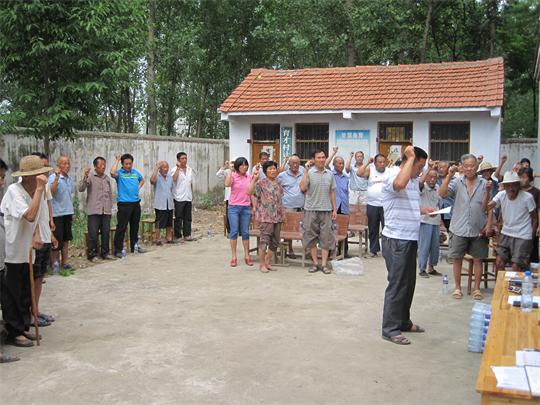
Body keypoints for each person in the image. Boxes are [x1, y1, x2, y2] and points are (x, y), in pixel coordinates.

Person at [381, 146, 430, 345]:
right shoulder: (393, 175)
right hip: (396, 239)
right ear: (409, 161)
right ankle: (390, 328)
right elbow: (399, 184)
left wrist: (423, 210)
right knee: (397, 284)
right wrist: (410, 158)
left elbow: (407, 203)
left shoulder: (413, 180)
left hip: (410, 237)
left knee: (409, 284)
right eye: (419, 165)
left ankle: (403, 321)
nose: (421, 171)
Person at [1, 155, 51, 347]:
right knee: (13, 293)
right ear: (31, 176)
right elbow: (30, 215)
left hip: (28, 249)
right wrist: (39, 189)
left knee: (25, 291)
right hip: (13, 251)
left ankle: (23, 327)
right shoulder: (15, 191)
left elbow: (36, 218)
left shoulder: (34, 192)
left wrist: (37, 234)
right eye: (40, 174)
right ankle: (14, 331)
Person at [439, 154, 493, 301]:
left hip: (478, 227)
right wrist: (449, 175)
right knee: (457, 259)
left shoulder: (484, 183)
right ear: (462, 167)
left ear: (477, 167)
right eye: (466, 165)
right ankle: (457, 287)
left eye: (472, 165)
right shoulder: (456, 182)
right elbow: (442, 193)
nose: (470, 168)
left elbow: (487, 207)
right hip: (459, 227)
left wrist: (488, 223)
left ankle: (476, 289)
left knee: (478, 259)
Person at [484, 171, 537, 272]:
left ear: (518, 185)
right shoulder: (501, 195)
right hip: (506, 233)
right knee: (499, 262)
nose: (511, 188)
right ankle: (501, 286)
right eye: (508, 186)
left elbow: (534, 218)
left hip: (523, 235)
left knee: (516, 266)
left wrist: (531, 238)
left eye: (514, 185)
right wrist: (487, 192)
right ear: (504, 186)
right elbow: (488, 206)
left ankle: (515, 287)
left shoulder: (527, 197)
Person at [300, 149, 337, 274]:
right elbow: (303, 188)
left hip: (326, 210)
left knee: (326, 238)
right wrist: (305, 171)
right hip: (311, 209)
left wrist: (334, 209)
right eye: (318, 157)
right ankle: (315, 263)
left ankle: (324, 264)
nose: (321, 159)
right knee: (311, 238)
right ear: (313, 159)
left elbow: (332, 192)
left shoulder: (330, 174)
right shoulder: (309, 173)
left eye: (323, 157)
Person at [31, 153, 57, 328]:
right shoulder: (22, 188)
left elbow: (48, 205)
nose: (46, 171)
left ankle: (36, 310)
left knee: (40, 276)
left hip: (46, 236)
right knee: (32, 277)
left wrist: (51, 227)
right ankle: (30, 312)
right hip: (34, 240)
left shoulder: (44, 185)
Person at [248, 161, 284, 273]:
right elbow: (249, 192)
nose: (273, 171)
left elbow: (280, 201)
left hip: (278, 217)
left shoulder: (279, 184)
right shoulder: (261, 183)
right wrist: (254, 179)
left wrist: (284, 214)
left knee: (275, 241)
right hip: (265, 217)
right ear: (265, 171)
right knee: (264, 241)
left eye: (274, 168)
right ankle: (262, 264)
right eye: (270, 169)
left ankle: (267, 262)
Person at [0, 158, 20, 362]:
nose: (2, 182)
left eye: (3, 177)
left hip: (3, 258)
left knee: (7, 299)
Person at [78, 156, 113, 261]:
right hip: (94, 210)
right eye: (101, 165)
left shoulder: (106, 178)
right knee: (93, 234)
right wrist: (84, 176)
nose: (103, 167)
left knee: (105, 233)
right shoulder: (90, 177)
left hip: (105, 210)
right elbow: (81, 188)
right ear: (95, 166)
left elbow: (110, 194)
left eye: (104, 165)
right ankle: (92, 254)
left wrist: (110, 207)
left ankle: (105, 253)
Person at [111, 153, 145, 257]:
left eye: (130, 163)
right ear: (122, 164)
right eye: (126, 164)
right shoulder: (120, 174)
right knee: (122, 227)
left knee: (135, 226)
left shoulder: (135, 173)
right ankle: (118, 249)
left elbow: (142, 180)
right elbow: (112, 173)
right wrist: (117, 160)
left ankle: (134, 246)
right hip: (124, 204)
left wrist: (137, 188)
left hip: (135, 203)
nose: (128, 166)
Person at [224, 157, 253, 267]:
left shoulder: (249, 177)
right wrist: (230, 171)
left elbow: (251, 193)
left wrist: (253, 206)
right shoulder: (233, 176)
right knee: (234, 231)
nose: (244, 167)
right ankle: (234, 256)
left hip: (246, 207)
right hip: (234, 207)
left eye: (246, 165)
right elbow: (227, 184)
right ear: (237, 166)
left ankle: (247, 255)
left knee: (245, 232)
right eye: (241, 165)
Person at [360, 154, 389, 258]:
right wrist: (368, 162)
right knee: (373, 228)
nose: (382, 164)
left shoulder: (389, 171)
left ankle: (387, 250)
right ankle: (374, 249)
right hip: (372, 204)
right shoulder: (370, 170)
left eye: (383, 162)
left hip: (386, 205)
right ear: (375, 163)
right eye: (380, 162)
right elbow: (359, 173)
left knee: (387, 228)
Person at [48, 156, 74, 270]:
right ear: (58, 165)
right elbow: (51, 194)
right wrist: (57, 178)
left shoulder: (69, 179)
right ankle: (54, 264)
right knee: (56, 241)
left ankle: (65, 262)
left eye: (68, 163)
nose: (66, 166)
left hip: (67, 212)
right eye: (63, 163)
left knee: (66, 239)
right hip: (57, 214)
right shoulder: (52, 178)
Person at [277, 154, 305, 258]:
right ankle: (289, 250)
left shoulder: (302, 174)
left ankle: (306, 251)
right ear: (288, 164)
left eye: (297, 163)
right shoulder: (282, 176)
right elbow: (278, 190)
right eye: (293, 163)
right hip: (288, 207)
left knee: (303, 229)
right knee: (288, 230)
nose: (295, 165)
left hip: (301, 206)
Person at [418, 165, 441, 278]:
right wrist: (428, 169)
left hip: (436, 220)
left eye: (434, 177)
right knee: (424, 246)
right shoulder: (423, 187)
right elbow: (420, 183)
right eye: (430, 177)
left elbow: (438, 203)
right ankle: (422, 268)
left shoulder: (437, 187)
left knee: (435, 246)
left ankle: (431, 267)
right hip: (425, 221)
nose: (432, 180)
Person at [171, 152, 194, 242]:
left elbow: (190, 183)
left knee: (188, 217)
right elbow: (174, 179)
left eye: (185, 158)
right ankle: (178, 236)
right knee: (179, 217)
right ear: (178, 160)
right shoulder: (174, 169)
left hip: (188, 196)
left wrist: (192, 194)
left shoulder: (189, 169)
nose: (184, 160)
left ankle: (187, 234)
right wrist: (178, 168)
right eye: (182, 158)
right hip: (179, 197)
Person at [330, 155, 350, 257]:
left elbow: (346, 193)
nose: (341, 165)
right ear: (334, 164)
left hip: (344, 206)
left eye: (342, 163)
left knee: (343, 229)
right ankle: (330, 251)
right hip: (333, 207)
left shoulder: (346, 178)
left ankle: (344, 251)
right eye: (339, 163)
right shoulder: (330, 175)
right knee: (331, 229)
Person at [150, 161, 174, 245]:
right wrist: (156, 167)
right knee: (159, 221)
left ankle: (168, 238)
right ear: (160, 169)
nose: (166, 169)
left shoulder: (170, 177)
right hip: (160, 204)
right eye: (164, 167)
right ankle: (158, 238)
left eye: (167, 167)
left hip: (169, 203)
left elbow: (172, 188)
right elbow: (152, 181)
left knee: (169, 222)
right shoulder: (156, 176)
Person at [519, 167, 540, 263]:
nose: (522, 180)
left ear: (530, 178)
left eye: (524, 177)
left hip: (532, 224)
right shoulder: (516, 191)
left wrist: (539, 226)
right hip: (518, 225)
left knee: (532, 250)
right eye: (520, 177)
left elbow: (538, 210)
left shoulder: (536, 192)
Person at [436, 161, 453, 231]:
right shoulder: (434, 179)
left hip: (450, 212)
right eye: (440, 167)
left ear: (448, 169)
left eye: (443, 168)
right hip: (437, 212)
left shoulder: (453, 180)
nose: (441, 169)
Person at [216, 161, 232, 235]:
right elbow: (218, 174)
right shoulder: (227, 172)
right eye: (232, 163)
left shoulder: (240, 172)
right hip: (229, 197)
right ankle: (229, 231)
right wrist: (225, 166)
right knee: (229, 214)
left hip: (239, 198)